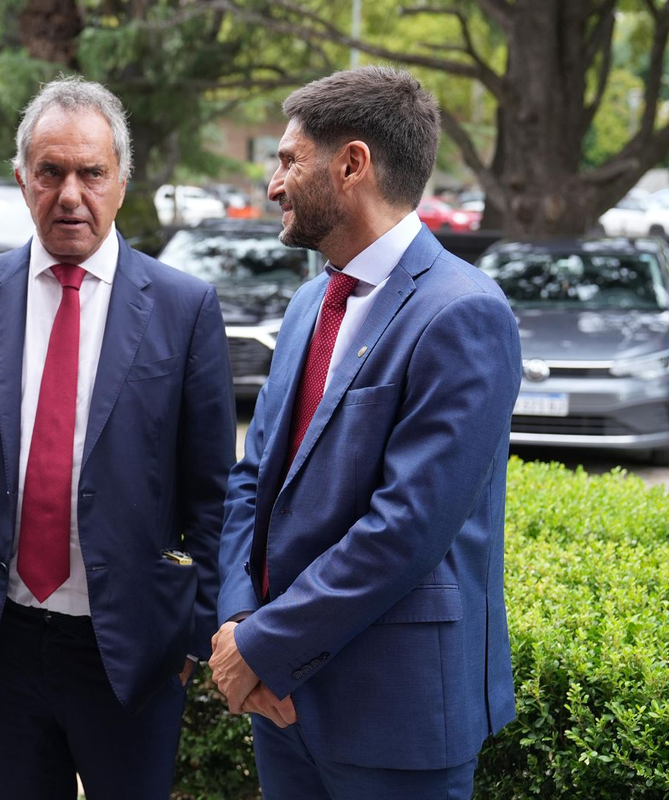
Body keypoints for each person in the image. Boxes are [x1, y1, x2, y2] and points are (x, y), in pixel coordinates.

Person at [0, 77, 235, 799]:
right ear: (22, 179)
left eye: (92, 173)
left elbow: (214, 493)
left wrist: (192, 634)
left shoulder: (182, 308)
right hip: (7, 643)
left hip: (132, 652)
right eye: (51, 172)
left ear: (121, 182)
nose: (70, 194)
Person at [209, 66, 521, 799]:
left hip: (397, 718)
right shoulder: (307, 302)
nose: (273, 183)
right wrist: (236, 621)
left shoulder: (462, 313)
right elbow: (254, 479)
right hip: (280, 706)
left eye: (289, 160)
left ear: (352, 165)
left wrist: (258, 645)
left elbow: (405, 529)